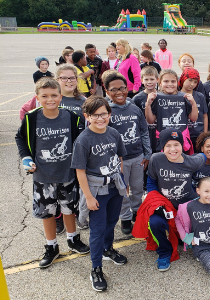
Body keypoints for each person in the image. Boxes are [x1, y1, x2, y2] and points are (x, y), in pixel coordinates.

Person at [15, 78, 89, 269]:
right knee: (47, 213)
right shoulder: (31, 118)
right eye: (45, 96)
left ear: (60, 95)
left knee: (69, 209)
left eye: (54, 95)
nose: (50, 99)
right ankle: (51, 246)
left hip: (67, 174)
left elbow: (81, 142)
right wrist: (25, 157)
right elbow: (20, 138)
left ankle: (73, 240)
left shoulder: (72, 117)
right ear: (37, 97)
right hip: (43, 176)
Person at [71, 96, 127, 291]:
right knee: (97, 229)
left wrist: (122, 181)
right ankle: (96, 268)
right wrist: (88, 197)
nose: (100, 118)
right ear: (87, 116)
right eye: (95, 115)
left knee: (111, 222)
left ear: (109, 114)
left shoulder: (113, 133)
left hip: (114, 188)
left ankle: (107, 248)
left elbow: (119, 157)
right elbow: (80, 171)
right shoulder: (83, 140)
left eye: (104, 114)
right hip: (97, 191)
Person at [143, 128, 207, 271]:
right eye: (168, 145)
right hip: (165, 206)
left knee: (202, 222)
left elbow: (203, 156)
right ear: (162, 147)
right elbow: (151, 182)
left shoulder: (192, 161)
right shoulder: (156, 159)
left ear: (182, 145)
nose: (173, 149)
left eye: (176, 144)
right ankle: (165, 252)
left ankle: (193, 243)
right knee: (154, 222)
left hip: (186, 206)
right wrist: (155, 202)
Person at [104, 72, 151, 234]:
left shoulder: (134, 108)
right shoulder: (107, 112)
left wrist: (147, 154)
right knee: (122, 190)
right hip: (119, 161)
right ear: (107, 91)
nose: (119, 92)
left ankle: (137, 211)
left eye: (122, 88)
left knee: (137, 188)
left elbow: (144, 131)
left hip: (137, 156)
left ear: (127, 88)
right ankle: (124, 217)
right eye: (114, 89)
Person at [144, 69, 198, 153]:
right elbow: (150, 121)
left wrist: (193, 103)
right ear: (160, 83)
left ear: (177, 82)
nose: (170, 84)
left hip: (181, 138)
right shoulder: (156, 97)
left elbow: (193, 118)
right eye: (166, 81)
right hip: (163, 139)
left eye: (173, 81)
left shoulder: (184, 97)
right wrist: (148, 104)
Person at [131, 66, 159, 153]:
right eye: (146, 79)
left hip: (158, 132)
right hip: (145, 133)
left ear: (157, 79)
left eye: (152, 79)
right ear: (142, 80)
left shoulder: (162, 95)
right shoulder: (137, 99)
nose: (149, 82)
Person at [179, 67, 208, 146]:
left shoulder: (200, 96)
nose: (192, 84)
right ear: (183, 79)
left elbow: (205, 116)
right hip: (183, 135)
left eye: (195, 82)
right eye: (190, 80)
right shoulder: (177, 96)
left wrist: (205, 134)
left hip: (198, 134)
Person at [56, 64, 87, 131]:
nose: (69, 81)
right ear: (57, 80)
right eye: (64, 78)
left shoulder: (85, 101)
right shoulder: (49, 100)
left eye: (72, 78)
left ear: (77, 79)